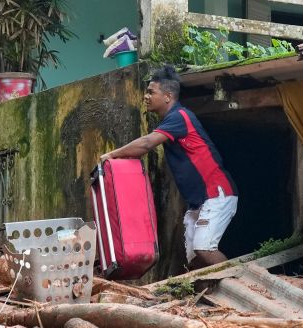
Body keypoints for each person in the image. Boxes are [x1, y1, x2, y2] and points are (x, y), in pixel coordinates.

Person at [100, 65, 238, 268]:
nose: (146, 97)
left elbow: (146, 144)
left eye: (151, 92)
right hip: (198, 202)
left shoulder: (180, 116)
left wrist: (112, 155)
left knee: (204, 249)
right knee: (194, 260)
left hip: (217, 194)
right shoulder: (171, 120)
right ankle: (205, 297)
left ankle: (240, 284)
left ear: (167, 96)